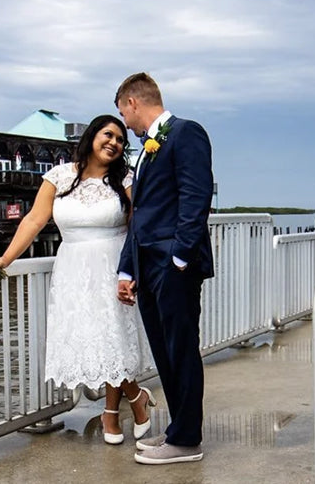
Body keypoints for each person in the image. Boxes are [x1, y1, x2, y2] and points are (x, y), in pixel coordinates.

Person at [0, 115, 156, 445]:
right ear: (92, 136)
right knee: (93, 337)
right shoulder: (59, 176)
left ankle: (111, 413)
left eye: (121, 140)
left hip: (114, 264)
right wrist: (5, 259)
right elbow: (34, 220)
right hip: (73, 269)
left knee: (113, 338)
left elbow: (139, 224)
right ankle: (135, 396)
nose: (114, 143)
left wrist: (134, 271)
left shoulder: (124, 178)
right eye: (108, 135)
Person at [115, 73, 214, 465]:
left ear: (133, 102)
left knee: (182, 350)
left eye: (122, 110)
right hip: (148, 267)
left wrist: (178, 258)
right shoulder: (146, 150)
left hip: (173, 268)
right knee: (165, 353)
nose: (123, 120)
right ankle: (177, 431)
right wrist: (127, 270)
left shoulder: (186, 132)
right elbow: (140, 216)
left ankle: (188, 440)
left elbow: (196, 195)